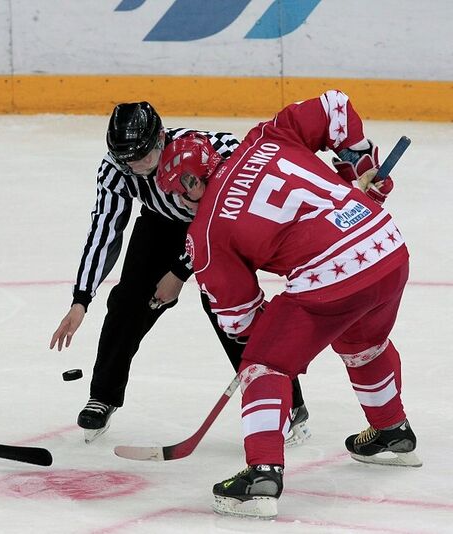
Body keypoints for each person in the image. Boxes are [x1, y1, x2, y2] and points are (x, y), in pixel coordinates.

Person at [155, 89, 421, 520]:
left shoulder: (205, 233)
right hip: (387, 247)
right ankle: (392, 431)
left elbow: (240, 319)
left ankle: (261, 474)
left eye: (178, 192)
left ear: (191, 182)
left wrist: (271, 341)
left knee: (262, 364)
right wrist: (362, 164)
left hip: (333, 278)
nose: (180, 202)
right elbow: (336, 106)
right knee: (362, 342)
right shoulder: (266, 137)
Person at [49, 101, 310, 444]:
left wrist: (178, 272)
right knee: (128, 301)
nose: (136, 167)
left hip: (222, 222)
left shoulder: (207, 153)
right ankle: (103, 395)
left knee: (230, 309)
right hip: (164, 222)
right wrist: (81, 299)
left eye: (142, 156)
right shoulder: (118, 169)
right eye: (127, 159)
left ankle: (287, 404)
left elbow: (219, 220)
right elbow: (104, 230)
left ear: (160, 139)